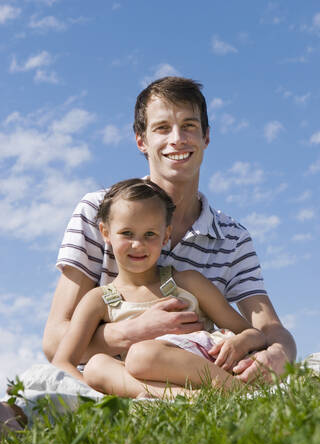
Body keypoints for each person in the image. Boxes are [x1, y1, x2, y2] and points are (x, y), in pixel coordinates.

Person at [43, 76, 296, 383]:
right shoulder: (98, 210)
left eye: (189, 125)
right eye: (162, 128)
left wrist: (279, 353)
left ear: (206, 137)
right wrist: (130, 332)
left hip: (195, 377)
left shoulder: (233, 237)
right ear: (141, 140)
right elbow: (55, 342)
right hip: (110, 384)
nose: (177, 138)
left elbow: (268, 328)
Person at [52, 178, 267, 398]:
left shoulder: (187, 283)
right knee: (95, 366)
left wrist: (241, 342)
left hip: (203, 366)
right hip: (150, 382)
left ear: (165, 235)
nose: (138, 244)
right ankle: (180, 399)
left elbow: (253, 334)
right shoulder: (98, 300)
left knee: (141, 355)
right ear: (105, 233)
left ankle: (236, 392)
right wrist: (90, 392)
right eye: (126, 233)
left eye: (150, 234)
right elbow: (62, 362)